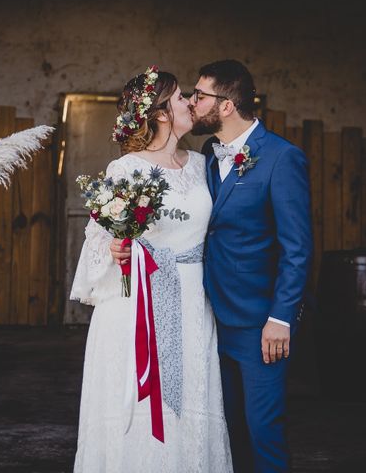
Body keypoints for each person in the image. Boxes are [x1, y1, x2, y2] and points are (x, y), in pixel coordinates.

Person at [70, 67, 232, 472]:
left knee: (192, 400)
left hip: (194, 301)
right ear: (160, 113)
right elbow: (97, 237)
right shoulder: (125, 169)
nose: (191, 103)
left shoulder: (202, 164)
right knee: (142, 404)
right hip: (137, 305)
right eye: (181, 98)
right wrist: (114, 247)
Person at [189, 59, 312, 472]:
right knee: (227, 430)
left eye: (200, 95)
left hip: (260, 324)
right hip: (209, 317)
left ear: (225, 105)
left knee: (264, 429)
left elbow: (297, 248)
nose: (192, 102)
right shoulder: (207, 154)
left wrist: (281, 317)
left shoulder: (281, 157)